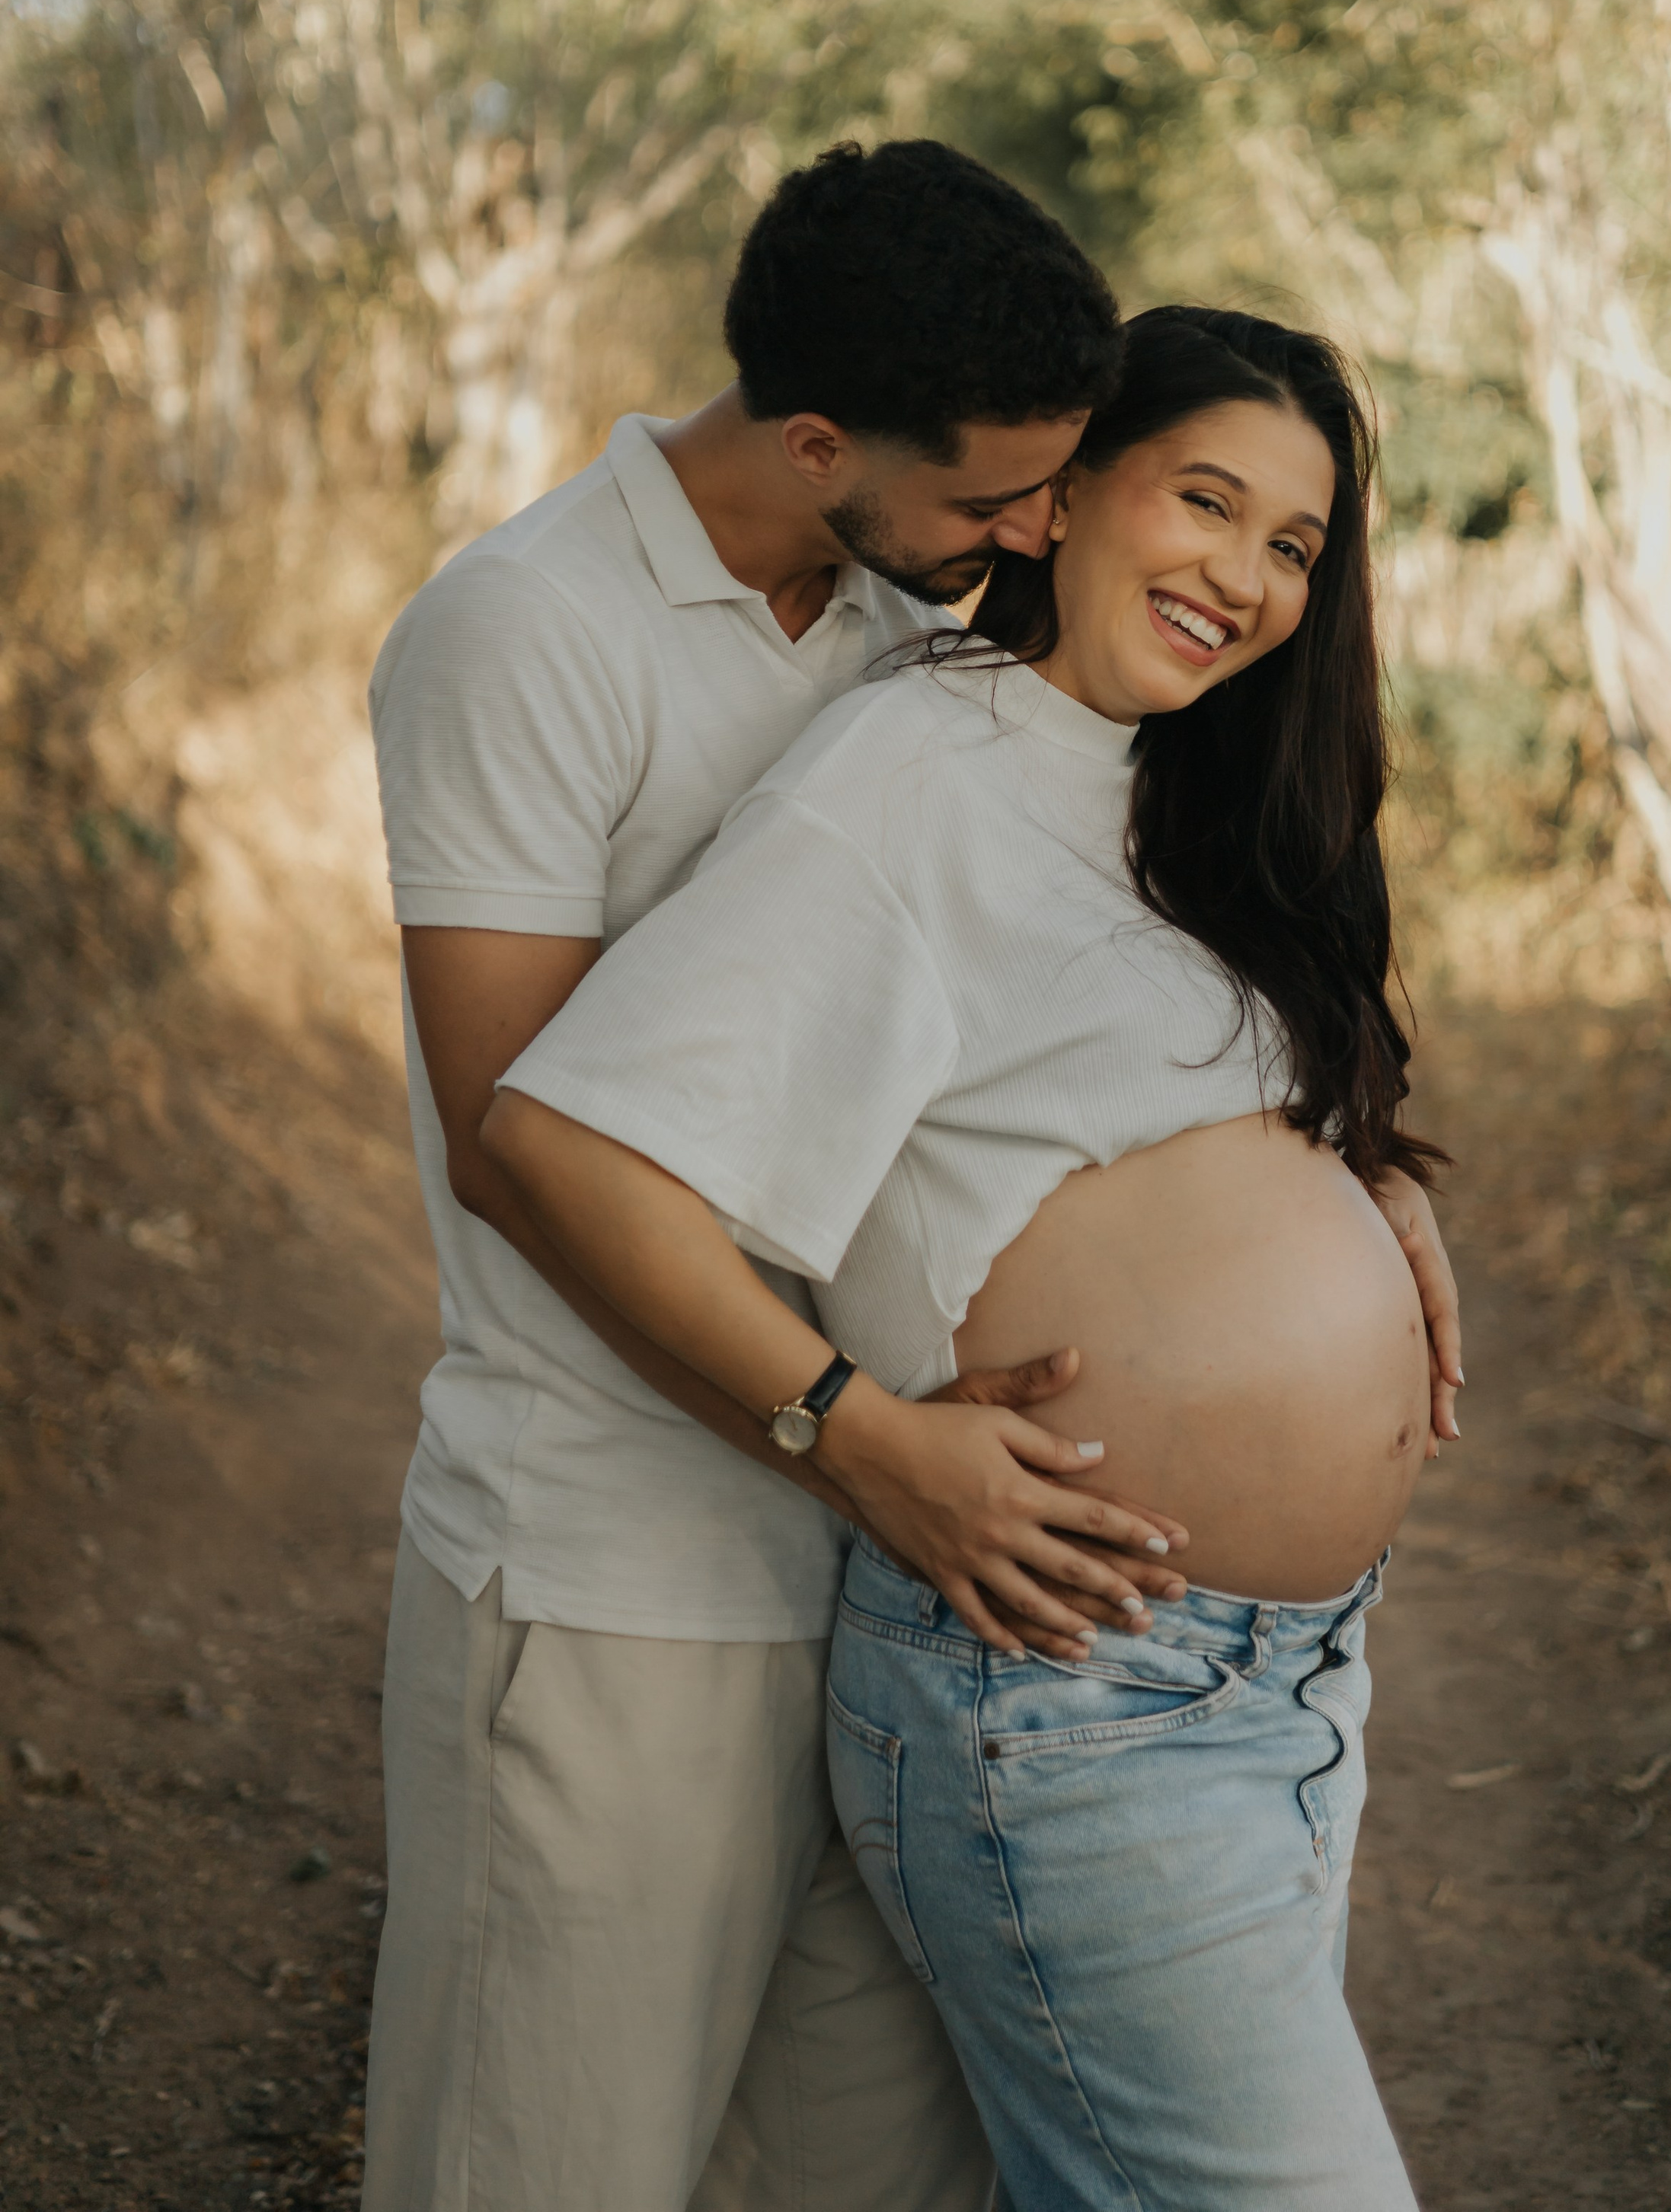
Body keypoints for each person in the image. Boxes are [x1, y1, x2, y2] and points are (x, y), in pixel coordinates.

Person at [484, 302, 1463, 2212]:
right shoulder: (911, 772)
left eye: (1292, 548)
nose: (1247, 578)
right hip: (1068, 1692)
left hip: (1267, 1684)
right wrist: (850, 1433)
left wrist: (1353, 1182)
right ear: (1061, 493)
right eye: (1205, 500)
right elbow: (562, 1143)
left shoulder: (1165, 792)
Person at [361, 137, 1201, 2212]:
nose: (1033, 531)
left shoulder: (921, 618)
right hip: (617, 1586)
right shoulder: (524, 630)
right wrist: (859, 1439)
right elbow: (518, 1158)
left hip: (899, 1600)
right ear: (816, 437)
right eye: (993, 492)